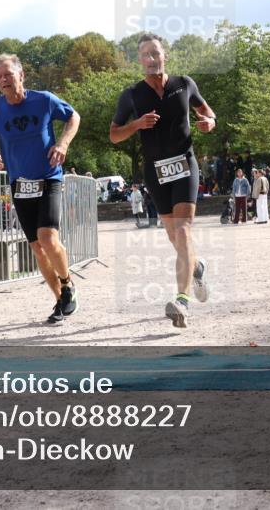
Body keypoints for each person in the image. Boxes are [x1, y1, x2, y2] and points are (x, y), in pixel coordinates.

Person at [110, 33, 215, 328]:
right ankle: (197, 266)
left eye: (155, 53)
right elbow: (114, 134)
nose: (151, 59)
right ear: (139, 61)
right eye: (145, 55)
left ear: (164, 55)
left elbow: (206, 111)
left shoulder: (184, 84)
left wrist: (210, 122)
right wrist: (136, 124)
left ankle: (181, 301)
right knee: (174, 236)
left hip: (185, 165)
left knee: (183, 231)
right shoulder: (131, 95)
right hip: (155, 172)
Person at [0, 53, 82, 324]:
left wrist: (63, 144)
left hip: (49, 178)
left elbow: (74, 117)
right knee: (37, 247)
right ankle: (60, 300)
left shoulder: (43, 100)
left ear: (21, 75)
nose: (3, 80)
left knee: (48, 238)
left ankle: (68, 284)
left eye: (8, 75)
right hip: (20, 186)